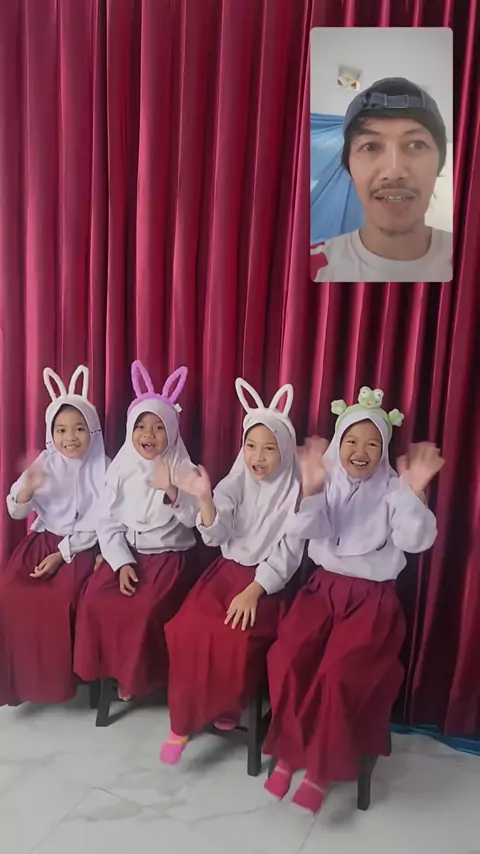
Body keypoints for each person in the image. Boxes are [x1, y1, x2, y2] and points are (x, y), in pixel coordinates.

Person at [263, 386, 444, 813]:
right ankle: (290, 752)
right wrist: (310, 491)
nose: (360, 452)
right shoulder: (324, 479)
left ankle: (321, 768)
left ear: (383, 451)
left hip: (371, 603)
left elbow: (415, 541)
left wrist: (413, 494)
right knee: (287, 657)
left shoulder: (397, 489)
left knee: (338, 673)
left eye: (372, 444)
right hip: (321, 592)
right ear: (339, 444)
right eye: (352, 441)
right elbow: (305, 530)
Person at [159, 379, 305, 764]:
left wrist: (254, 591)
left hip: (266, 586)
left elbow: (289, 555)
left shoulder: (297, 493)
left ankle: (225, 704)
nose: (258, 456)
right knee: (186, 627)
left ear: (285, 450)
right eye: (251, 446)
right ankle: (182, 722)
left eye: (269, 448)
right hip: (224, 575)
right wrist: (205, 500)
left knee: (235, 638)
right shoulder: (235, 481)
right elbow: (215, 535)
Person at [74, 361, 198, 702]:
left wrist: (172, 491)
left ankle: (135, 679)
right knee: (94, 599)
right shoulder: (121, 467)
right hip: (127, 553)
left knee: (142, 611)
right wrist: (120, 561)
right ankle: (104, 669)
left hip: (167, 560)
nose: (148, 434)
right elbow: (108, 520)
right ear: (130, 429)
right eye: (141, 426)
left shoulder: (182, 465)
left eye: (158, 427)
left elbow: (194, 519)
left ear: (171, 431)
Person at [0, 365, 108, 705]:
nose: (70, 438)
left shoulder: (105, 467)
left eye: (79, 429)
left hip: (81, 548)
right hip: (42, 540)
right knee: (10, 592)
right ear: (51, 433)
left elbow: (101, 523)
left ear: (92, 430)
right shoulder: (44, 463)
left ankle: (56, 684)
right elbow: (15, 511)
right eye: (61, 430)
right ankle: (19, 683)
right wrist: (26, 490)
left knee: (58, 602)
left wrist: (63, 554)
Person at [311, 78, 452, 283]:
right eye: (370, 147)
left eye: (416, 145)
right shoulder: (307, 270)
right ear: (349, 170)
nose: (394, 171)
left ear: (439, 164)